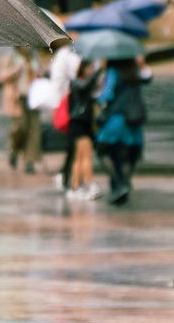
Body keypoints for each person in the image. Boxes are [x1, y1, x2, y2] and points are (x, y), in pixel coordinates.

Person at [95, 57, 146, 207]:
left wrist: (99, 92)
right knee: (126, 155)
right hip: (134, 120)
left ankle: (120, 184)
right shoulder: (134, 71)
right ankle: (124, 186)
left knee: (102, 150)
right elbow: (147, 78)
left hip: (117, 119)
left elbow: (107, 94)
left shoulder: (113, 72)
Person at [0, 47, 42, 174]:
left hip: (33, 97)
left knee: (34, 130)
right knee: (21, 127)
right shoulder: (12, 56)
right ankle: (14, 150)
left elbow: (40, 71)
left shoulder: (34, 56)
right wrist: (16, 70)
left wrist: (38, 74)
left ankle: (29, 161)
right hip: (18, 98)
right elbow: (3, 76)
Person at [48, 43, 82, 189]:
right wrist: (56, 107)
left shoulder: (71, 53)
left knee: (74, 144)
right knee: (74, 143)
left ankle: (66, 176)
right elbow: (58, 83)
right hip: (69, 104)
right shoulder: (66, 55)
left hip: (72, 104)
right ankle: (67, 178)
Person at [66, 60, 101, 200]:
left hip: (83, 123)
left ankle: (74, 187)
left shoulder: (85, 84)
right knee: (86, 155)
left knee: (80, 157)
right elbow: (85, 86)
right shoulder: (77, 82)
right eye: (90, 67)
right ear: (83, 68)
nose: (92, 70)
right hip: (79, 123)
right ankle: (90, 184)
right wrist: (99, 71)